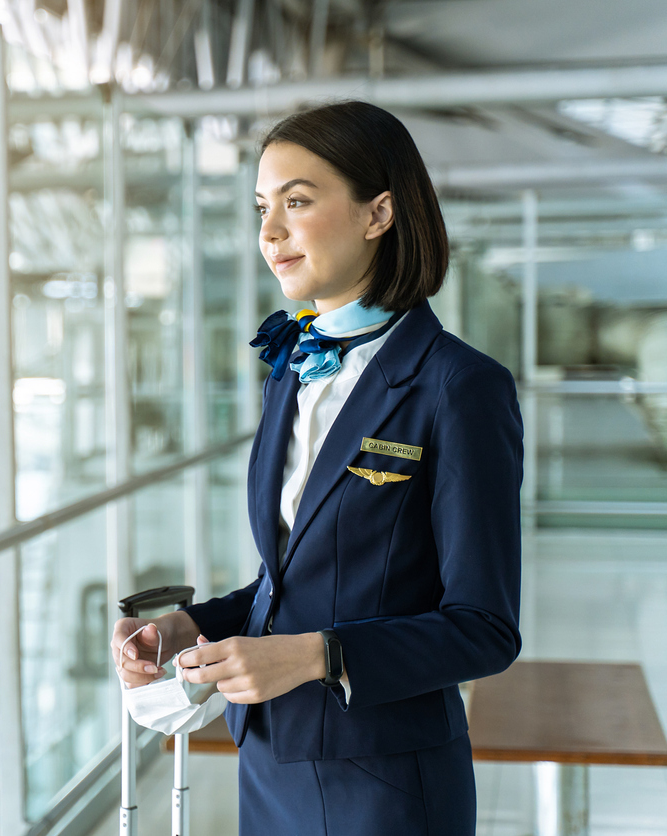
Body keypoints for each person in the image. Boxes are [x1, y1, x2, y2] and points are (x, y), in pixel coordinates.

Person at [110, 100, 523, 835]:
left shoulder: (459, 386)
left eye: (297, 202)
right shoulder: (291, 373)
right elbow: (297, 579)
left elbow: (484, 628)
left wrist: (318, 658)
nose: (269, 232)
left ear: (379, 213)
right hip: (270, 760)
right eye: (262, 207)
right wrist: (186, 627)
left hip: (385, 782)